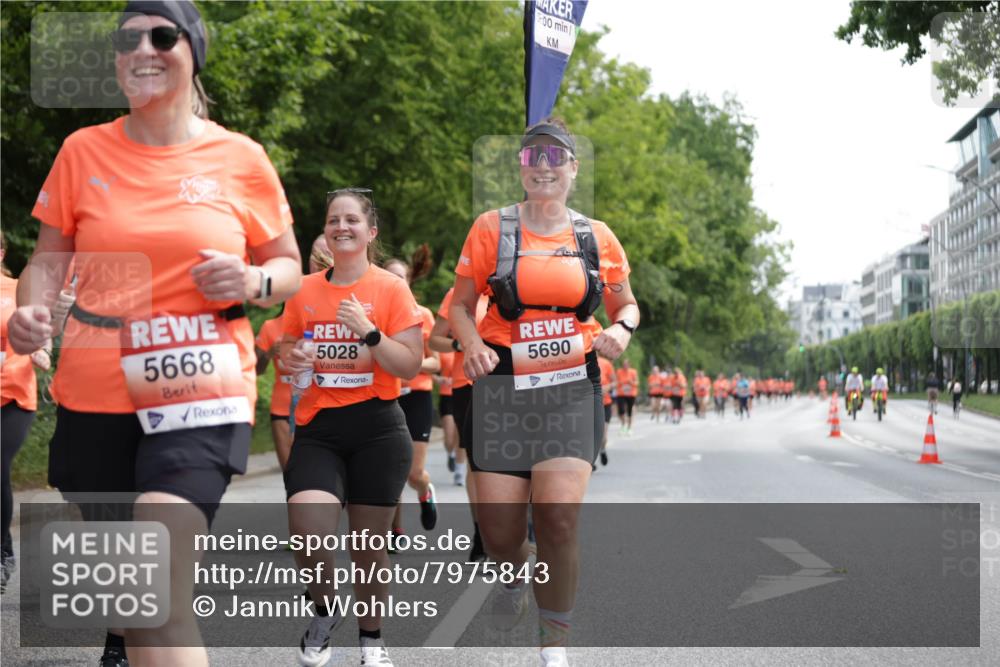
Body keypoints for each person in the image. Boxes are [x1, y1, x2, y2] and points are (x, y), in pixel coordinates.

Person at [6, 3, 301, 664]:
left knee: (156, 587)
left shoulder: (239, 157)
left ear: (193, 51)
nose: (144, 48)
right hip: (95, 390)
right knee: (135, 610)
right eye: (127, 38)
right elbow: (47, 263)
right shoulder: (82, 151)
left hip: (201, 384)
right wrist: (29, 312)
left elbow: (289, 269)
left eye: (163, 36)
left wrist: (253, 281)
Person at [449, 117, 637, 666]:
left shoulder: (596, 237)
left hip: (571, 386)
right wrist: (470, 345)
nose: (545, 166)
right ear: (522, 169)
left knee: (558, 517)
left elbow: (626, 304)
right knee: (502, 532)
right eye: (534, 157)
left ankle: (553, 645)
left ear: (574, 170)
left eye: (557, 158)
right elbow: (460, 305)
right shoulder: (491, 228)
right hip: (503, 386)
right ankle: (513, 572)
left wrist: (620, 330)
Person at [279, 188, 423, 667]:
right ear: (325, 230)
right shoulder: (304, 289)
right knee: (308, 531)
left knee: (368, 550)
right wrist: (293, 357)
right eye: (333, 220)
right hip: (320, 426)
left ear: (370, 232)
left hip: (379, 429)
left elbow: (408, 365)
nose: (342, 227)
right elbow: (286, 353)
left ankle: (372, 640)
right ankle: (324, 610)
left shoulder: (390, 289)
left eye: (352, 220)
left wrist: (370, 331)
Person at [1, 237, 53, 594]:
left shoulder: (17, 288)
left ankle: (2, 554)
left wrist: (43, 351)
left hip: (13, 395)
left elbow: (41, 328)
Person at [429, 286, 489, 562]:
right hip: (468, 383)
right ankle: (482, 533)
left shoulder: (525, 282)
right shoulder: (458, 293)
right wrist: (460, 343)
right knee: (478, 462)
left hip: (512, 382)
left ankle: (519, 527)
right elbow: (435, 340)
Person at [384, 249, 441, 540]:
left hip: (416, 396)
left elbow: (436, 362)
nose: (397, 282)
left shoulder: (424, 315)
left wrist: (409, 363)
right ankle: (394, 530)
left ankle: (424, 490)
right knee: (388, 469)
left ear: (408, 282)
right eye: (391, 277)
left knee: (413, 473)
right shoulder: (374, 315)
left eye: (402, 278)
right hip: (385, 396)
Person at [255, 313, 294, 469]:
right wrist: (269, 353)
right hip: (282, 408)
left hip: (315, 408)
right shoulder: (270, 326)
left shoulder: (319, 322)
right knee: (289, 474)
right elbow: (256, 369)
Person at [434, 349, 462, 483]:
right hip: (447, 395)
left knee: (461, 434)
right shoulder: (442, 349)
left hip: (463, 392)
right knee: (450, 437)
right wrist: (438, 379)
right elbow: (431, 372)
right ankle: (451, 453)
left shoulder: (468, 344)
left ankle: (459, 471)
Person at [598, 354, 615, 466]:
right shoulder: (581, 362)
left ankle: (602, 450)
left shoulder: (606, 363)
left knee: (603, 437)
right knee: (590, 435)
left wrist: (608, 387)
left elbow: (615, 382)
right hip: (589, 404)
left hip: (605, 404)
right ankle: (590, 461)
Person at [615, 359, 638, 435]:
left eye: (626, 364)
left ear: (629, 365)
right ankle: (623, 424)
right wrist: (621, 383)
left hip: (631, 394)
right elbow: (615, 382)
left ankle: (629, 428)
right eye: (624, 364)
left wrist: (631, 382)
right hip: (621, 394)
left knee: (629, 411)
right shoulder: (619, 372)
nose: (625, 366)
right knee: (620, 411)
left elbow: (637, 383)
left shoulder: (633, 372)